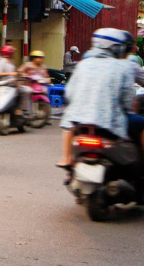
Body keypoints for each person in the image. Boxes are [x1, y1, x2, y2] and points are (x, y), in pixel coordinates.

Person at [59, 28, 144, 168]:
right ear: (118, 47)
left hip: (78, 119)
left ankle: (66, 158)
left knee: (67, 124)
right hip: (110, 121)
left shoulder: (83, 64)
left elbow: (69, 93)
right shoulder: (123, 66)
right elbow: (127, 99)